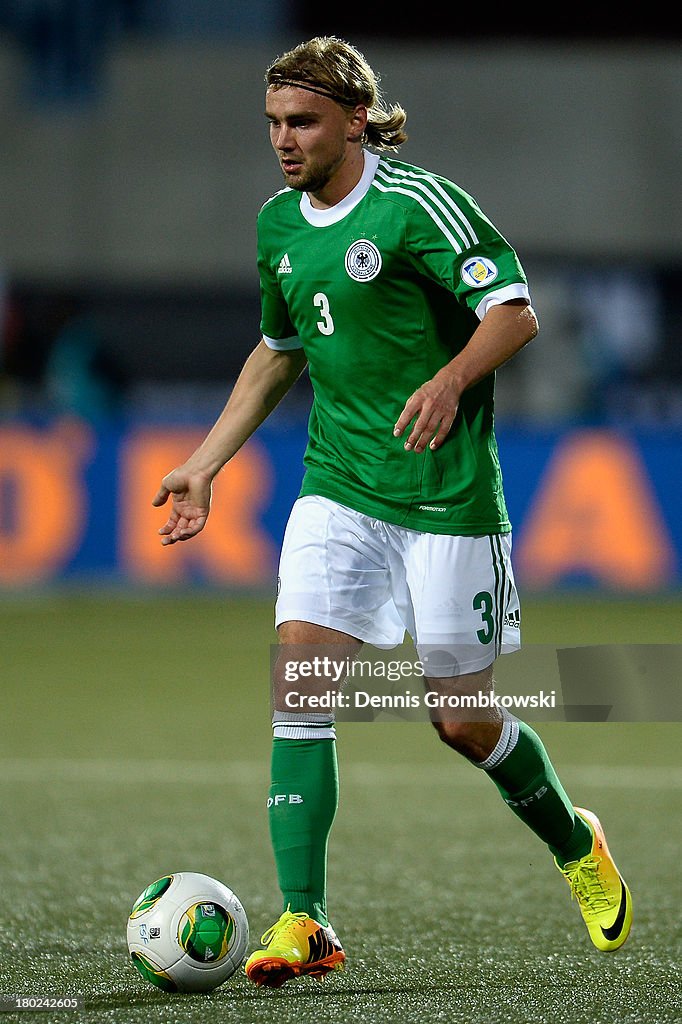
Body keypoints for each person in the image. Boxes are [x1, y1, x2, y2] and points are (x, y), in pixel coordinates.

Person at [152, 36, 632, 989]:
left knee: (459, 720)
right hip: (339, 488)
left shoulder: (418, 204)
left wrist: (453, 378)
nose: (285, 141)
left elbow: (516, 310)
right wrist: (205, 463)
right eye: (275, 124)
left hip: (446, 498)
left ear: (356, 119)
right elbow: (278, 348)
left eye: (304, 122)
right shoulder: (278, 225)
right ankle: (306, 919)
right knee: (300, 687)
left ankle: (574, 839)